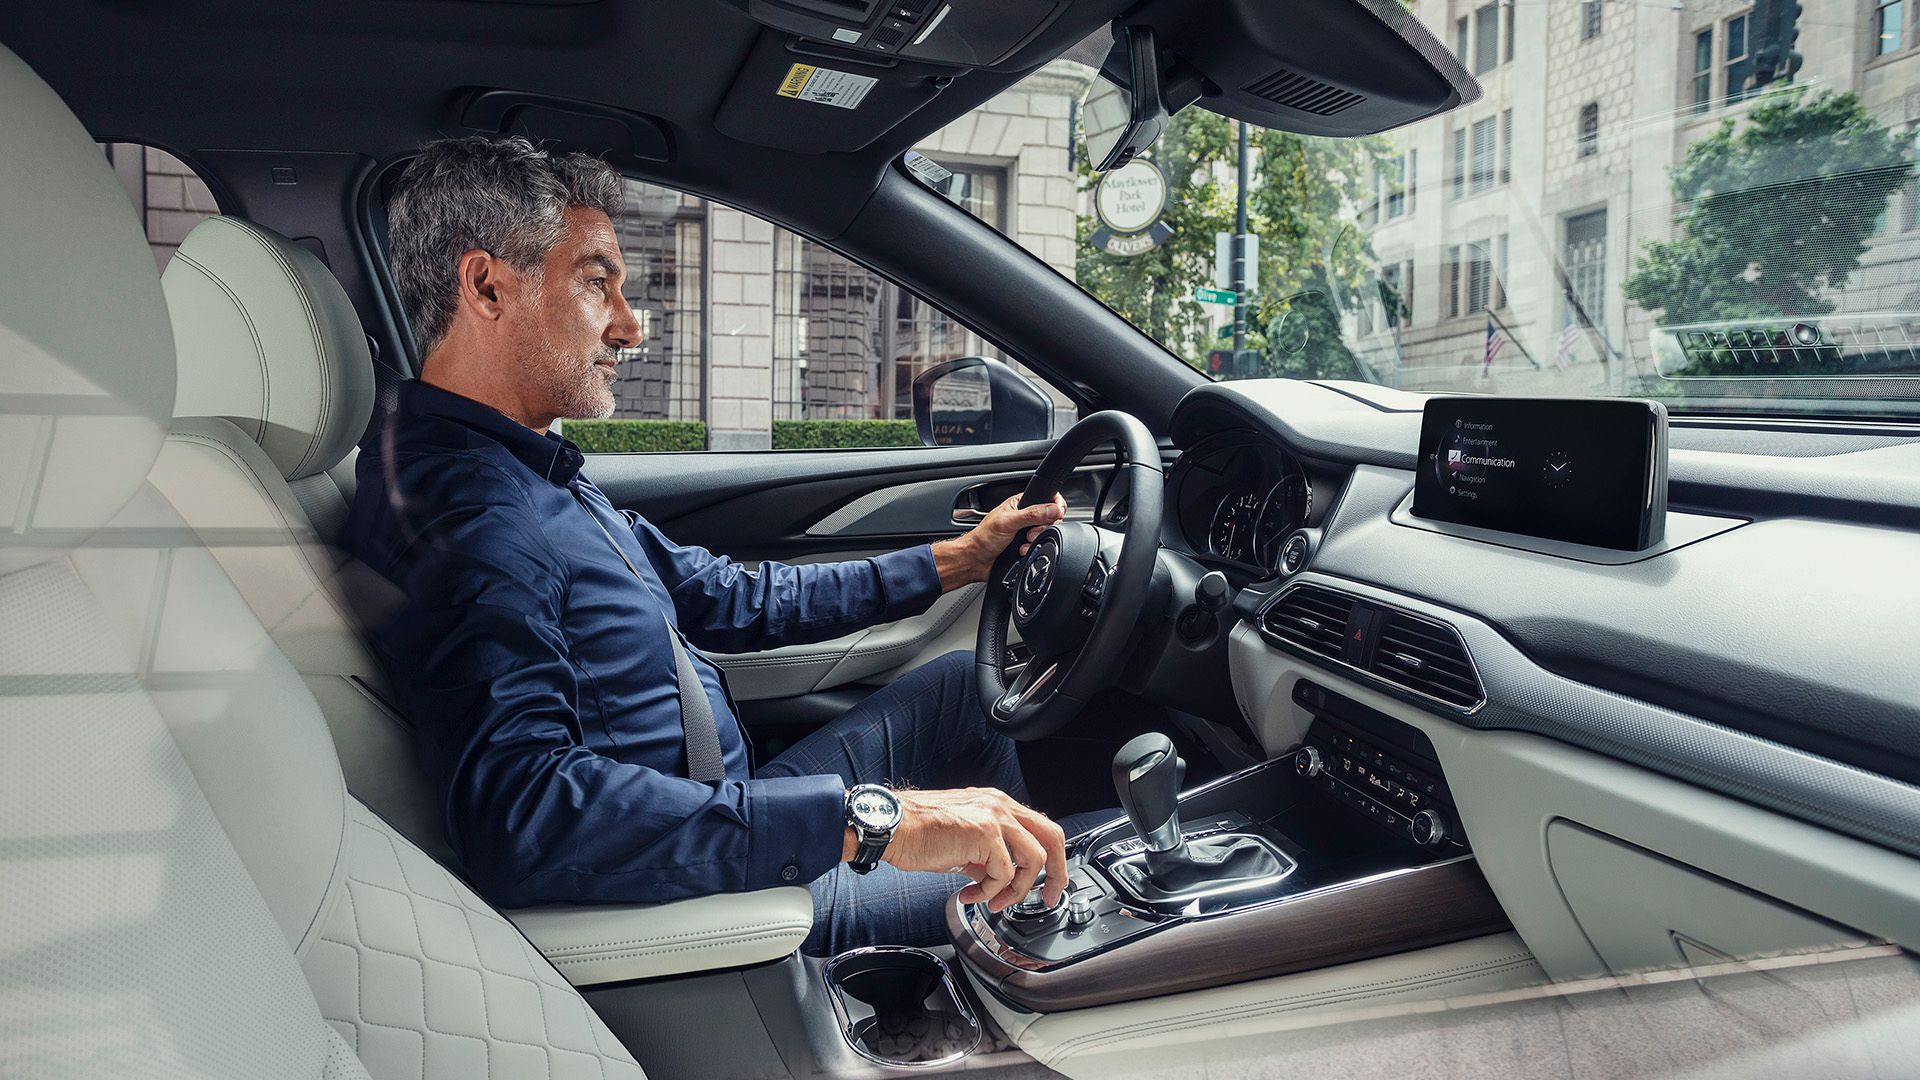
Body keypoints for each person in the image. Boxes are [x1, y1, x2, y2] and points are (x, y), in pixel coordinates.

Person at [349, 135, 1084, 956]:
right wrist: (870, 821)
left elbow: (721, 596)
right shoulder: (472, 512)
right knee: (1066, 876)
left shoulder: (521, 463)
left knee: (962, 694)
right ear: (487, 286)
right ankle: (1034, 939)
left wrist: (960, 560)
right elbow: (523, 812)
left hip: (719, 808)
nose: (630, 327)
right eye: (598, 282)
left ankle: (1012, 917)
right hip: (710, 905)